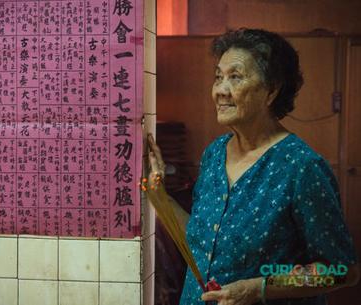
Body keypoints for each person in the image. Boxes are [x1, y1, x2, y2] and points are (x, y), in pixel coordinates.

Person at [146, 28, 359, 305]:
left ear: (271, 90)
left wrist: (259, 287)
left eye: (235, 77)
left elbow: (340, 270)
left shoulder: (301, 166)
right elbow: (202, 243)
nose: (221, 90)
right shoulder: (214, 154)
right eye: (218, 77)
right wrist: (159, 195)